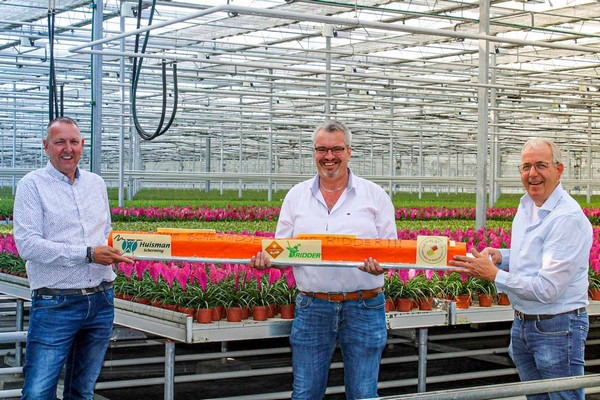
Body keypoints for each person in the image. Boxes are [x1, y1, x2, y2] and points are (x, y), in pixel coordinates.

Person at [250, 119, 397, 400]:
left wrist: (381, 265)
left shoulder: (375, 196)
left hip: (364, 306)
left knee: (364, 393)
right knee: (305, 392)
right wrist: (266, 260)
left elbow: (391, 251)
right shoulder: (296, 196)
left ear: (349, 152)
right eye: (322, 150)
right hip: (313, 305)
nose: (329, 157)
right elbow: (282, 252)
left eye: (336, 149)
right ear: (314, 153)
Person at [450, 137, 592, 400]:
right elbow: (532, 256)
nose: (532, 173)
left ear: (559, 170)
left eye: (541, 165)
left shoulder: (567, 218)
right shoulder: (527, 205)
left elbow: (548, 289)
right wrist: (502, 257)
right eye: (526, 167)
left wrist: (494, 274)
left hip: (557, 326)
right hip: (524, 322)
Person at [13, 117, 134, 400]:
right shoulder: (32, 185)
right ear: (46, 146)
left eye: (74, 142)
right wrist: (88, 254)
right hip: (56, 302)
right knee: (37, 393)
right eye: (60, 142)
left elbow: (105, 231)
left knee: (82, 391)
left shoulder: (96, 183)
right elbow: (28, 245)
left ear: (82, 145)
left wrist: (118, 248)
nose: (68, 148)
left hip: (101, 300)